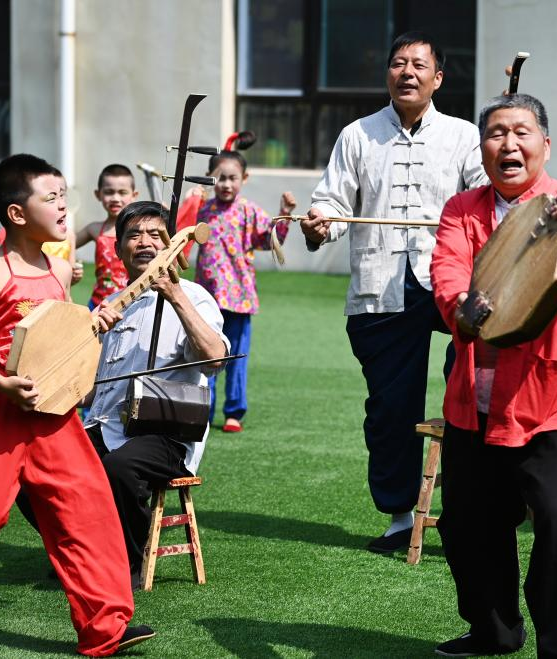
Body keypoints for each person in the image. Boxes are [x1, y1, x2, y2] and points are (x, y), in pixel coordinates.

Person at [0, 154, 154, 654]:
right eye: (51, 198)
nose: (64, 205)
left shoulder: (61, 269)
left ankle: (103, 629)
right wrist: (1, 383)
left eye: (65, 195)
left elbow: (63, 339)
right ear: (18, 214)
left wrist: (91, 334)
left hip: (52, 411)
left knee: (87, 509)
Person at [430, 93, 557, 657]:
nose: (508, 143)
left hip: (554, 396)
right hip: (475, 400)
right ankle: (494, 630)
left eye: (522, 132)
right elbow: (448, 273)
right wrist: (462, 304)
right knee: (466, 525)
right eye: (496, 133)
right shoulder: (462, 209)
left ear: (545, 145)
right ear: (481, 147)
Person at [300, 30, 484, 552]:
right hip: (380, 286)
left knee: (473, 383)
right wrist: (319, 225)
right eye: (398, 64)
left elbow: (483, 200)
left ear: (438, 77)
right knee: (390, 407)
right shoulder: (357, 135)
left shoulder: (464, 135)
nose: (407, 72)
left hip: (451, 278)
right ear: (388, 74)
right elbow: (331, 203)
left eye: (418, 65)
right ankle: (399, 516)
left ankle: (472, 504)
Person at [80, 200, 229, 588]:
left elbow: (214, 360)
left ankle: (126, 561)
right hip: (105, 425)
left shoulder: (195, 296)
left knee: (120, 468)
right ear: (117, 248)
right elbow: (89, 389)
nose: (144, 242)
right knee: (35, 467)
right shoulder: (113, 305)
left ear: (172, 244)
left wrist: (173, 293)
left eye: (154, 234)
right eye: (133, 235)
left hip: (166, 434)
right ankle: (77, 548)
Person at [195, 151, 295, 432]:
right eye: (220, 178)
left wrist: (284, 215)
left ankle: (234, 412)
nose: (226, 184)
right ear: (210, 177)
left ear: (244, 179)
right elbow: (181, 231)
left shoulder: (249, 210)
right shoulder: (202, 210)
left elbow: (269, 240)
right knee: (207, 357)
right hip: (207, 300)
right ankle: (203, 409)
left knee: (237, 358)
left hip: (239, 299)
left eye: (232, 178)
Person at [76, 164, 138, 309]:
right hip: (98, 305)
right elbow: (65, 244)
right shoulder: (95, 229)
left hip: (129, 304)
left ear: (134, 195)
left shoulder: (139, 229)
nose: (115, 198)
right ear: (98, 194)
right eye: (109, 192)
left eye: (122, 192)